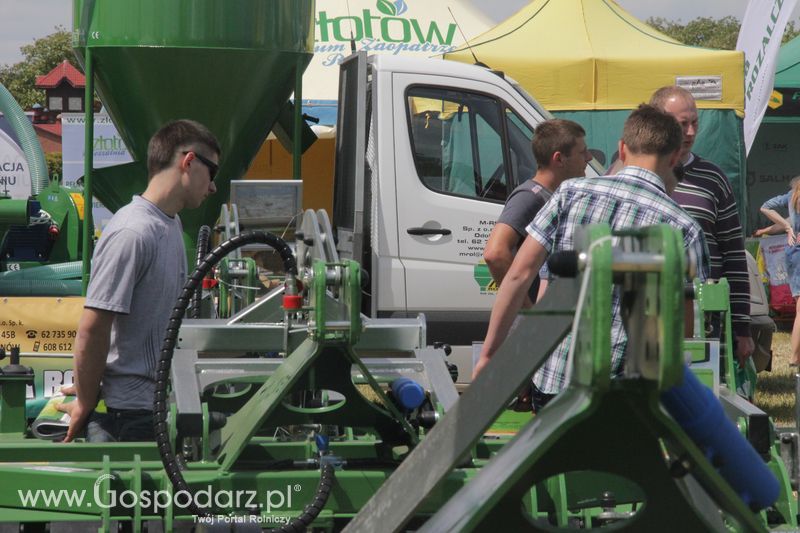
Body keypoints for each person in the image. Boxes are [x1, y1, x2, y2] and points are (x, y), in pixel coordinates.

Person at [473, 105, 710, 404]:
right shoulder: (685, 228)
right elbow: (682, 328)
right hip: (629, 394)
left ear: (622, 149)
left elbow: (519, 274)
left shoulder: (570, 193)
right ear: (676, 157)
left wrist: (489, 355)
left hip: (556, 379)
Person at [58, 119, 220, 442]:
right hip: (131, 418)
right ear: (188, 162)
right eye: (212, 173)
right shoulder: (133, 232)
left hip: (157, 407)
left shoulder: (170, 225)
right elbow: (93, 327)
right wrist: (86, 402)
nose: (214, 186)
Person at [650, 86, 754, 367]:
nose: (691, 132)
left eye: (695, 122)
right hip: (646, 313)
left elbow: (733, 252)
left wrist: (742, 327)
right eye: (682, 124)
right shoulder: (631, 174)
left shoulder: (714, 178)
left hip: (705, 317)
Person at [483, 119, 591, 304]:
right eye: (582, 152)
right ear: (559, 159)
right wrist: (525, 309)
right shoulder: (529, 197)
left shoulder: (553, 196)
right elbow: (495, 253)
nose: (589, 157)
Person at [760, 176, 800, 366]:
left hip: (794, 255)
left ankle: (795, 356)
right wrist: (786, 226)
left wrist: (786, 227)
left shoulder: (793, 196)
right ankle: (794, 357)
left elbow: (765, 207)